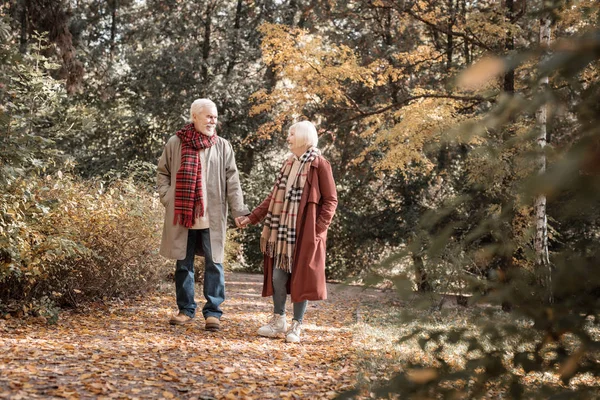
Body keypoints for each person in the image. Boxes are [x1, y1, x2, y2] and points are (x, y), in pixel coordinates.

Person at [237, 120, 338, 343]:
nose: (288, 138)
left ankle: (296, 325)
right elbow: (273, 199)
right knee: (277, 277)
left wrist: (318, 230)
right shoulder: (288, 164)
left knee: (301, 279)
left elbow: (331, 200)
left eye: (291, 134)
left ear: (303, 137)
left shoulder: (319, 164)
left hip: (306, 234)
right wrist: (252, 217)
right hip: (282, 233)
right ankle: (279, 320)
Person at [157, 98, 249, 331]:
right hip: (183, 216)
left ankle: (213, 313)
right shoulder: (175, 142)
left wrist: (239, 210)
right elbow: (162, 173)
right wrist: (168, 198)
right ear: (194, 117)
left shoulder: (222, 145)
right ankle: (185, 310)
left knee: (214, 264)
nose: (213, 121)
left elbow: (233, 181)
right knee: (183, 265)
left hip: (212, 217)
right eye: (208, 116)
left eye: (215, 117)